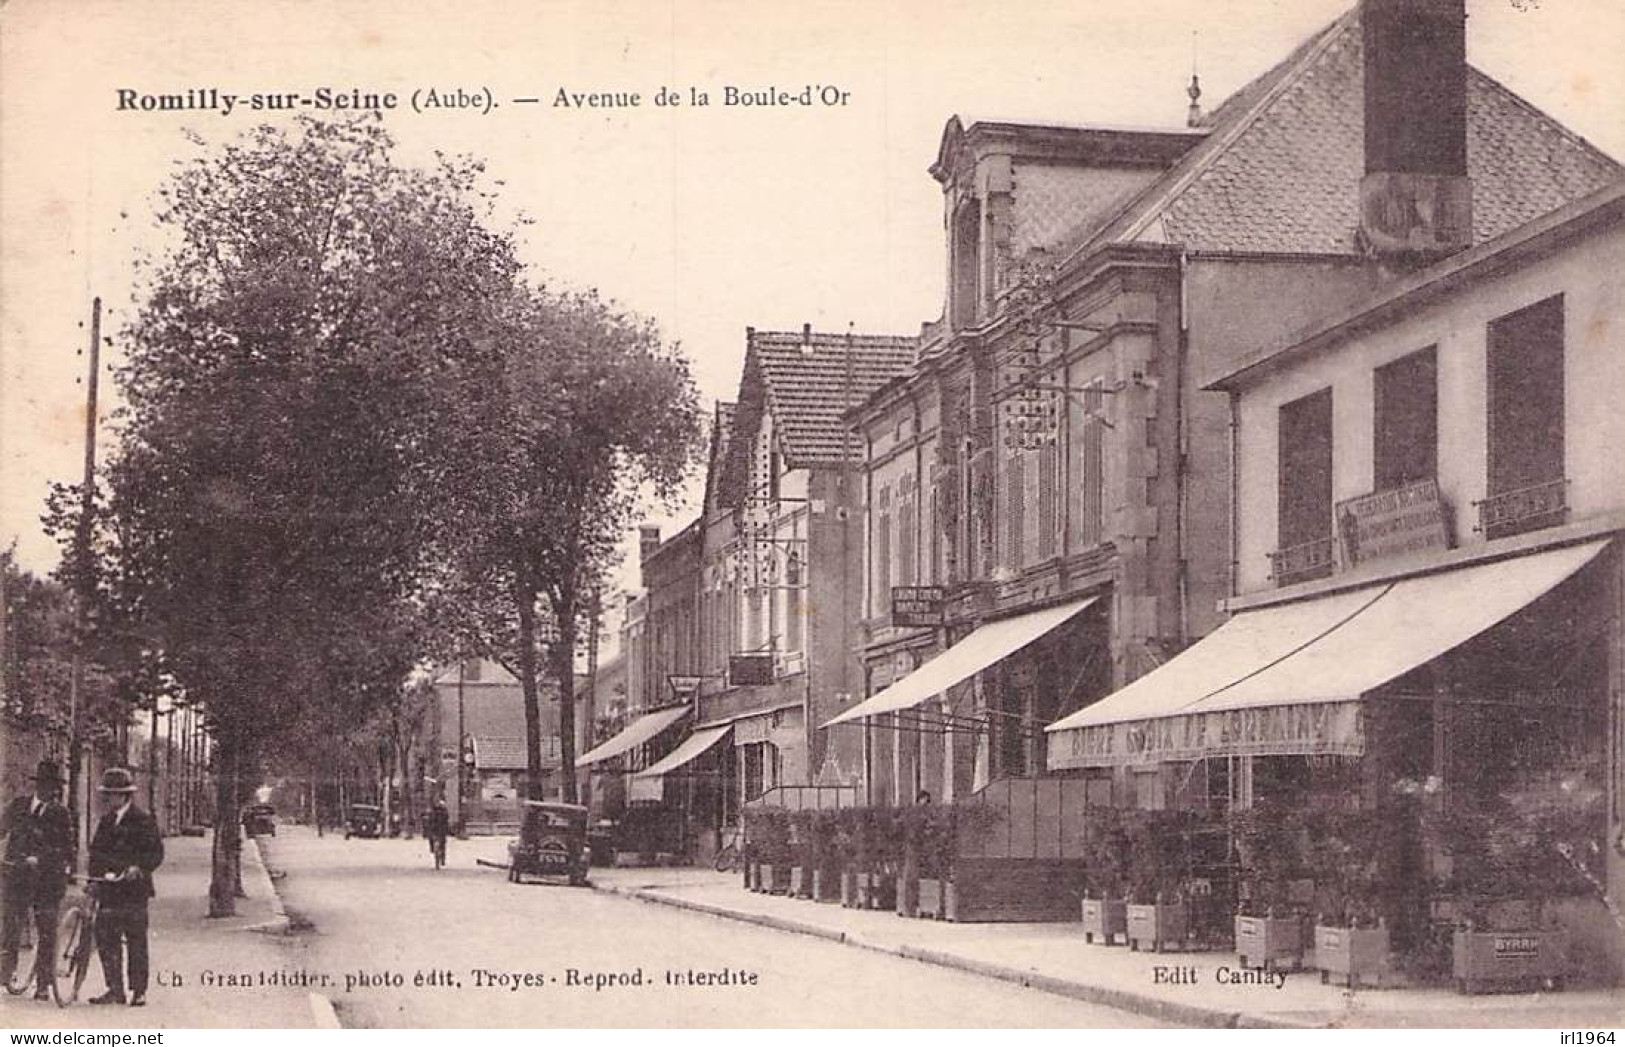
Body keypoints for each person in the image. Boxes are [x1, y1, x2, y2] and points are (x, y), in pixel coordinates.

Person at [87, 767, 163, 1008]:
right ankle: (114, 989)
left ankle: (138, 991)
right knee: (105, 938)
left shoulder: (143, 820)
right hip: (109, 889)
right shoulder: (106, 821)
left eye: (113, 794)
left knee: (135, 939)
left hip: (133, 891)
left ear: (125, 795)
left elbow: (156, 853)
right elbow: (96, 853)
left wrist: (138, 867)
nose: (108, 798)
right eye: (106, 793)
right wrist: (93, 880)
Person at [0, 760, 72, 1000]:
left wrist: (40, 858)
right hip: (18, 876)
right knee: (11, 924)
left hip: (48, 881)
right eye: (43, 785)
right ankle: (6, 973)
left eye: (51, 787)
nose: (47, 790)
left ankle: (43, 983)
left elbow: (65, 849)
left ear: (55, 789)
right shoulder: (19, 806)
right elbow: (2, 829)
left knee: (46, 930)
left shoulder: (61, 814)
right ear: (37, 786)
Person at [425, 799, 450, 866]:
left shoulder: (433, 812)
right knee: (441, 844)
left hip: (437, 830)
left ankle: (441, 857)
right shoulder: (442, 812)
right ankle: (442, 858)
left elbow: (428, 822)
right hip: (438, 830)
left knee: (439, 843)